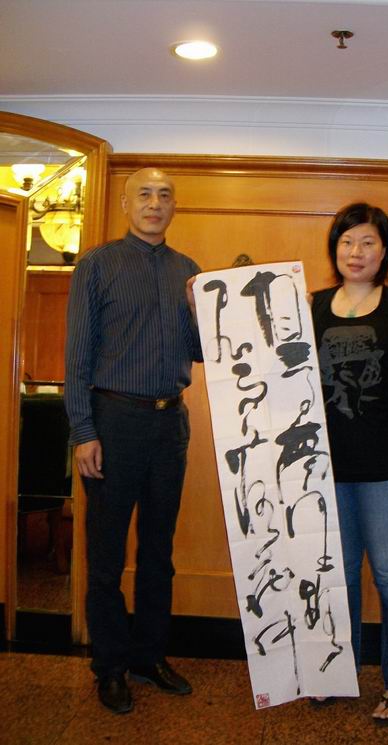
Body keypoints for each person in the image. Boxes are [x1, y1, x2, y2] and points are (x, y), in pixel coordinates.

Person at [65, 167, 202, 714]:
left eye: (164, 195)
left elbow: (204, 351)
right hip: (113, 422)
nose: (154, 202)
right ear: (126, 204)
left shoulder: (189, 272)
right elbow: (77, 356)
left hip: (170, 425)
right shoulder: (97, 265)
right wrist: (83, 431)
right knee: (106, 554)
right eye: (144, 193)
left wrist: (200, 309)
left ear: (174, 206)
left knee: (158, 552)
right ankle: (111, 666)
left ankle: (149, 656)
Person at [311, 202, 388, 725]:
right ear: (334, 249)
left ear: (384, 251)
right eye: (346, 241)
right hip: (323, 470)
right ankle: (337, 674)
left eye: (367, 242)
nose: (355, 251)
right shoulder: (312, 306)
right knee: (337, 576)